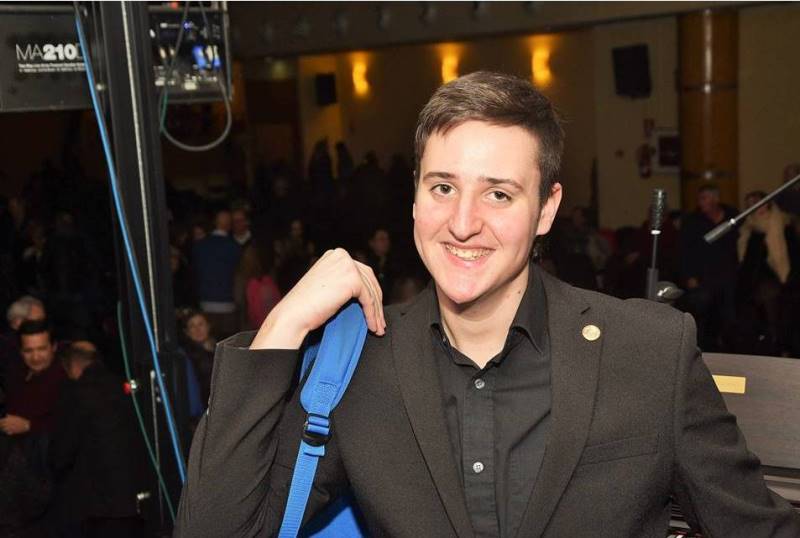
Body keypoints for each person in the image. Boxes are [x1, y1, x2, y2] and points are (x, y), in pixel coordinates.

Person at [175, 72, 800, 537]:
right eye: (443, 187)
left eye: (498, 194)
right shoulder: (358, 365)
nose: (462, 223)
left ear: (547, 209)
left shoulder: (649, 353)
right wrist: (282, 325)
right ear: (415, 198)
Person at [49, 342, 144, 538]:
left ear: (72, 365)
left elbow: (62, 452)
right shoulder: (121, 386)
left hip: (97, 501)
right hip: (132, 493)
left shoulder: (77, 394)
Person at [677, 184, 739, 351]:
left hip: (729, 276)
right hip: (703, 277)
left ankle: (730, 350)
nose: (700, 202)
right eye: (699, 199)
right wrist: (689, 276)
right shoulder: (693, 221)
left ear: (716, 199)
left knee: (729, 315)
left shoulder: (733, 218)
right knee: (703, 312)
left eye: (704, 198)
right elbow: (684, 251)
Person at [191, 209, 241, 339]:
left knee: (206, 339)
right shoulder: (234, 247)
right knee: (227, 342)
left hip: (206, 302)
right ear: (229, 225)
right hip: (227, 304)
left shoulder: (200, 246)